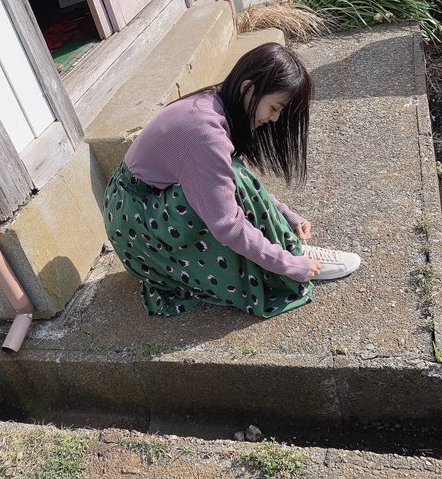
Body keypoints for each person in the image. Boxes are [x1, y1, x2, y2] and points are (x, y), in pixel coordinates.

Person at [102, 42, 360, 318]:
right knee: (233, 197)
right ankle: (294, 256)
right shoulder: (206, 134)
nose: (274, 119)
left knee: (233, 176)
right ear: (248, 89)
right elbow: (228, 225)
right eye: (274, 108)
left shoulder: (216, 102)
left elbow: (226, 180)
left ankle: (286, 248)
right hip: (137, 228)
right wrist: (289, 266)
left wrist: (286, 215)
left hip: (137, 204)